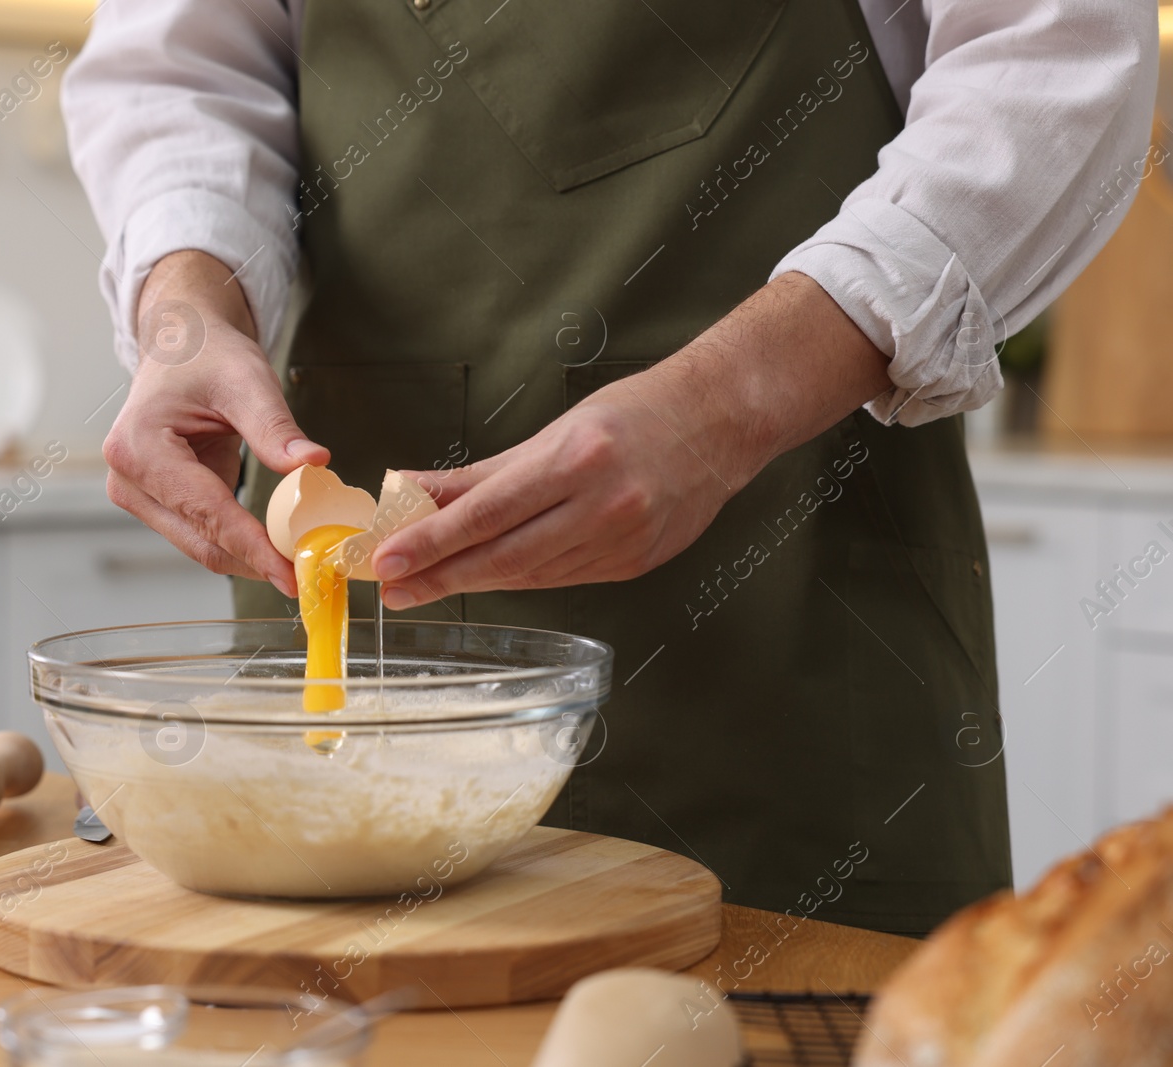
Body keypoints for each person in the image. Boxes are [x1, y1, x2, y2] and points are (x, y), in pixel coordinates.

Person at [61, 0, 1156, 934]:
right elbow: (179, 69)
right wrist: (183, 310)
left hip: (791, 660)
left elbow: (1052, 62)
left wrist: (726, 407)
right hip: (338, 647)